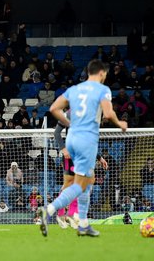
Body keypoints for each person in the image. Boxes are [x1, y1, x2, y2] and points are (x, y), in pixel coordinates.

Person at [37, 59, 127, 237]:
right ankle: (49, 211)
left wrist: (70, 123)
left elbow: (54, 108)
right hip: (86, 140)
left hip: (72, 139)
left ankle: (83, 223)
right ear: (101, 73)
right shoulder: (102, 90)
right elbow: (109, 113)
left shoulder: (74, 90)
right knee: (80, 185)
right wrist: (120, 123)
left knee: (88, 181)